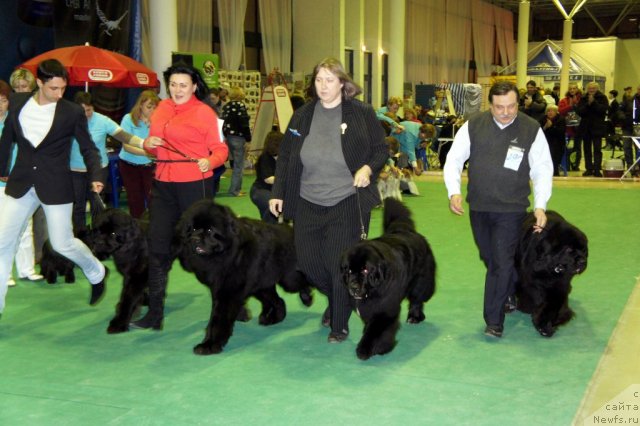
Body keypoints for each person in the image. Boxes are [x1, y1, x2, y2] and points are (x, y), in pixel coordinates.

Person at [269, 57, 387, 343]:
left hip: (346, 200)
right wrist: (278, 192)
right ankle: (340, 299)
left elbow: (380, 149)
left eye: (329, 80)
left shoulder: (361, 113)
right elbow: (286, 156)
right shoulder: (302, 115)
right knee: (309, 263)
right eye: (318, 80)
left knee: (338, 264)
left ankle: (339, 324)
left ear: (342, 83)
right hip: (308, 199)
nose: (322, 86)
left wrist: (367, 168)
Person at [444, 81, 553, 338]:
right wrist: (454, 191)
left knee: (500, 263)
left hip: (512, 209)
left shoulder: (531, 128)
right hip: (479, 206)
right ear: (490, 105)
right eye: (499, 107)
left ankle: (494, 319)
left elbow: (542, 169)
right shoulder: (473, 125)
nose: (506, 112)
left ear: (518, 103)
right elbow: (454, 159)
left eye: (511, 106)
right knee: (491, 257)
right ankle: (512, 290)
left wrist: (540, 205)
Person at [0, 59, 109, 316]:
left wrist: (96, 174)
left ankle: (96, 270)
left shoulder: (71, 112)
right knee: (3, 241)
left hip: (56, 184)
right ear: (39, 82)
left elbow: (88, 148)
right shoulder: (17, 103)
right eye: (53, 88)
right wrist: (2, 170)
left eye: (63, 88)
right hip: (22, 182)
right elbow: (8, 139)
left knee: (62, 243)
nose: (59, 94)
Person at [130, 63, 228, 330]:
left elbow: (220, 149)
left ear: (194, 86)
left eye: (183, 85)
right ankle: (155, 314)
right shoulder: (161, 108)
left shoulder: (204, 112)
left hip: (195, 185)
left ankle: (231, 305)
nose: (177, 90)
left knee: (205, 251)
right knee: (158, 247)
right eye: (173, 84)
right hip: (163, 185)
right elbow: (153, 145)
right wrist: (150, 144)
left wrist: (210, 161)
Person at [70, 92, 146, 233]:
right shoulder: (68, 121)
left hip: (98, 170)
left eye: (89, 110)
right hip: (75, 170)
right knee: (78, 206)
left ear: (93, 108)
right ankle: (79, 236)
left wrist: (143, 143)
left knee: (97, 205)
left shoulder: (103, 121)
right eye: (82, 111)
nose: (86, 114)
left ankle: (98, 236)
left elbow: (124, 136)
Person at [0, 79, 43, 288]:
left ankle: (26, 269)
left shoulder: (19, 121)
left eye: (4, 100)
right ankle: (4, 273)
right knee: (4, 230)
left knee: (26, 227)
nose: (1, 104)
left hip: (20, 181)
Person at [10, 68, 48, 265]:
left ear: (32, 86)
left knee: (41, 218)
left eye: (24, 86)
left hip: (40, 171)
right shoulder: (10, 111)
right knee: (16, 222)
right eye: (16, 88)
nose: (20, 90)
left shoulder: (40, 108)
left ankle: (42, 258)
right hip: (16, 173)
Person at [119, 90, 160, 218]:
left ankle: (153, 227)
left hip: (149, 166)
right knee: (134, 200)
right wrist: (148, 153)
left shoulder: (157, 122)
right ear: (140, 105)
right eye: (149, 107)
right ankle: (137, 227)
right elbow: (126, 146)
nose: (152, 110)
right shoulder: (128, 119)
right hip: (128, 165)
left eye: (155, 107)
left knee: (153, 198)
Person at [221, 86, 252, 197]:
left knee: (234, 164)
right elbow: (244, 124)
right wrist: (248, 139)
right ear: (240, 94)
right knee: (239, 165)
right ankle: (235, 190)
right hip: (238, 138)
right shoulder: (240, 106)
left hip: (228, 137)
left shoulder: (226, 106)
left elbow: (222, 122)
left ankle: (235, 188)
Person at [576, 82, 609, 177]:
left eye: (593, 88)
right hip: (585, 127)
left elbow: (603, 110)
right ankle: (589, 169)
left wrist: (593, 103)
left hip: (597, 127)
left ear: (597, 89)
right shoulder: (583, 98)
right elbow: (579, 111)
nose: (591, 90)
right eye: (590, 88)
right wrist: (588, 104)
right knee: (587, 149)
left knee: (597, 149)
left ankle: (597, 169)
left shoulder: (602, 97)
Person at [250, 130, 281, 223]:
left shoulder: (284, 157)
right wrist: (285, 180)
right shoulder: (265, 157)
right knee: (273, 206)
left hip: (273, 191)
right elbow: (268, 179)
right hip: (260, 191)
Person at [558, 83, 583, 171]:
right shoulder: (564, 100)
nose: (572, 90)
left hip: (578, 128)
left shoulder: (582, 100)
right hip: (567, 128)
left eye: (574, 88)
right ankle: (566, 165)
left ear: (577, 89)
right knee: (566, 148)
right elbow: (560, 111)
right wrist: (570, 106)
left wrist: (576, 105)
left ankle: (576, 165)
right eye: (570, 88)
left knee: (577, 148)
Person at [540, 104, 567, 176]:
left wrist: (552, 127)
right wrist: (545, 127)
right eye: (548, 111)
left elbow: (561, 132)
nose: (550, 113)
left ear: (556, 112)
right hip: (545, 143)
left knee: (554, 150)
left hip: (558, 143)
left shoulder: (561, 119)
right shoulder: (543, 119)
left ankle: (554, 172)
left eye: (552, 111)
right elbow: (539, 132)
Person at [619, 85, 640, 176]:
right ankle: (630, 167)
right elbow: (619, 111)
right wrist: (624, 118)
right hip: (627, 126)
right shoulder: (629, 100)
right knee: (627, 147)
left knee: (638, 148)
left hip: (638, 127)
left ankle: (638, 167)